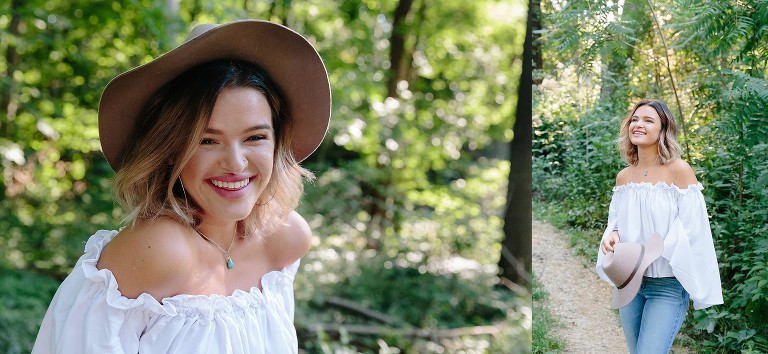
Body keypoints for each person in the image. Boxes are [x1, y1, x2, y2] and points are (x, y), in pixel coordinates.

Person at [32, 20, 331, 353]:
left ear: (276, 144)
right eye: (207, 140)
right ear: (171, 151)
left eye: (255, 137)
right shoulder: (159, 250)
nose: (235, 163)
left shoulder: (286, 239)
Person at [595, 99, 723, 354]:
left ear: (663, 129)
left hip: (667, 286)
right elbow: (617, 224)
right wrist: (612, 236)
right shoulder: (624, 176)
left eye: (648, 120)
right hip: (630, 280)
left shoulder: (679, 171)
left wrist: (658, 249)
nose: (638, 124)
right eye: (634, 119)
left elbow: (695, 231)